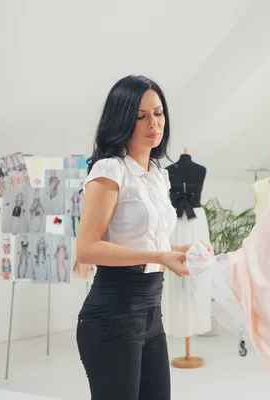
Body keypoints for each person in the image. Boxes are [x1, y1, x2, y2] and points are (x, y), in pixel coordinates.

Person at [75, 75, 211, 400]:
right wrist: (160, 257)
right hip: (112, 315)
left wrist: (180, 249)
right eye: (141, 116)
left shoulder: (157, 175)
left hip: (151, 314)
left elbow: (148, 244)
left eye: (159, 113)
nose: (154, 123)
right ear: (123, 119)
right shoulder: (110, 170)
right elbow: (86, 248)